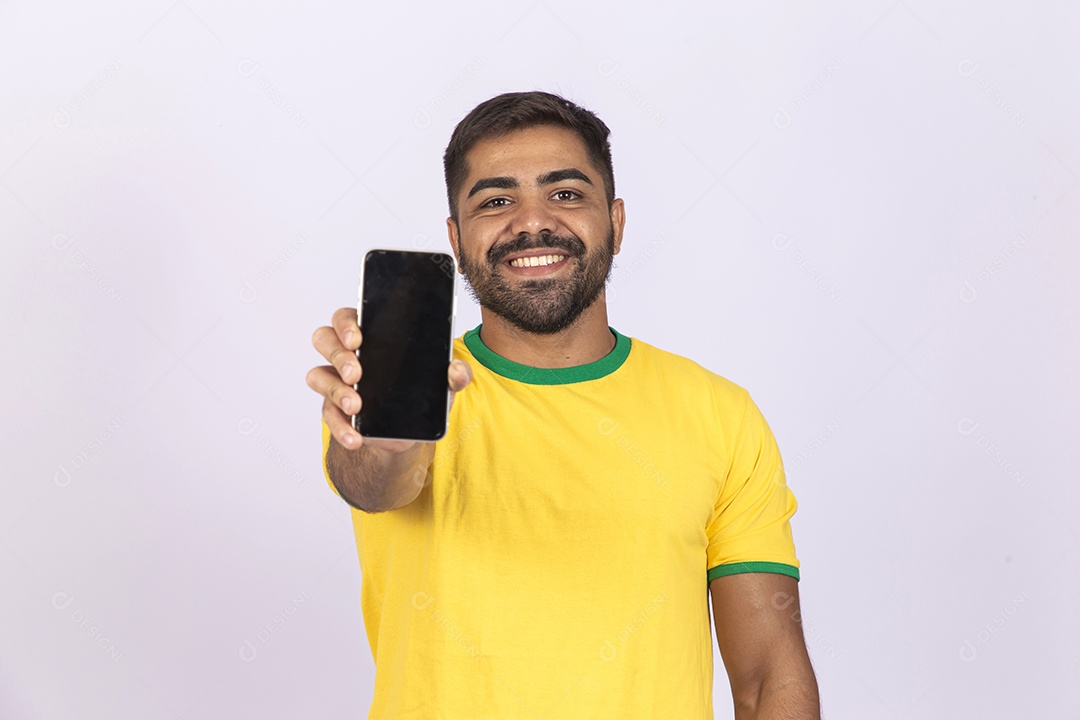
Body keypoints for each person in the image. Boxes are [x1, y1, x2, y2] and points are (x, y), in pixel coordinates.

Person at [306, 91, 820, 719]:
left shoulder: (720, 414)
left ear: (618, 222)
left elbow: (770, 675)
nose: (531, 222)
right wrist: (385, 435)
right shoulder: (398, 398)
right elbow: (374, 481)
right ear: (456, 238)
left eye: (566, 194)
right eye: (496, 201)